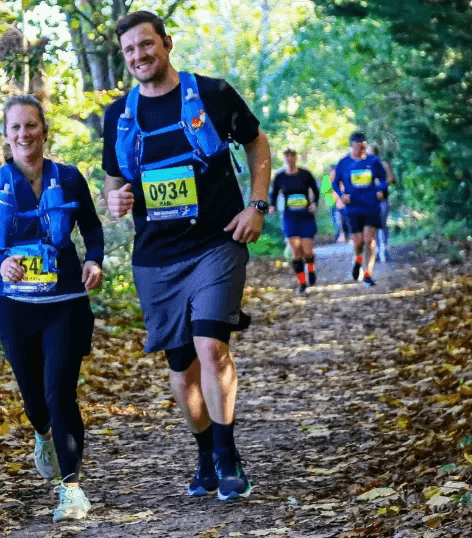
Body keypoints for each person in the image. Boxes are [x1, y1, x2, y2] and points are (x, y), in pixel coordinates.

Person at [101, 10, 271, 501]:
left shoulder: (213, 94)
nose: (139, 55)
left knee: (210, 346)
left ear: (167, 43)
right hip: (155, 257)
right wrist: (114, 200)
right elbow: (115, 182)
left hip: (217, 243)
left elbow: (257, 142)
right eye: (130, 50)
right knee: (181, 366)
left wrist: (256, 206)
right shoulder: (120, 115)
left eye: (146, 45)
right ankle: (204, 454)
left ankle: (226, 454)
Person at [0, 94, 104, 522]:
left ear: (44, 130)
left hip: (65, 304)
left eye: (31, 126)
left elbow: (93, 230)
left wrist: (94, 260)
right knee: (34, 398)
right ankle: (42, 435)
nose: (24, 134)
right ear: (6, 136)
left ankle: (72, 489)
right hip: (16, 309)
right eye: (16, 128)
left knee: (60, 392)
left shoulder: (71, 179)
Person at [333, 131, 388, 286]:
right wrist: (341, 195)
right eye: (359, 148)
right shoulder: (343, 163)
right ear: (352, 146)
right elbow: (335, 183)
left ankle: (368, 274)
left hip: (371, 206)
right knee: (358, 242)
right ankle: (357, 261)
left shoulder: (374, 161)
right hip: (352, 208)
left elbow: (383, 179)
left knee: (369, 240)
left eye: (364, 147)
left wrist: (381, 190)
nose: (362, 150)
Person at [269, 147, 320, 294]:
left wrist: (314, 203)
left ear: (296, 157)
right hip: (290, 217)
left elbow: (315, 191)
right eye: (286, 156)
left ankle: (311, 270)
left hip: (305, 216)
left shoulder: (305, 174)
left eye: (292, 155)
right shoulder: (280, 177)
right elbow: (273, 194)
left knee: (307, 251)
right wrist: (272, 206)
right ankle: (302, 283)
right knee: (296, 252)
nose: (289, 158)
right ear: (284, 158)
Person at [368, 142, 397, 263]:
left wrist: (381, 184)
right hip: (369, 201)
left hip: (383, 199)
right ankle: (377, 251)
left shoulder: (384, 165)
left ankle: (383, 249)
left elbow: (392, 179)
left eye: (371, 153)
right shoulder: (364, 166)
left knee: (382, 224)